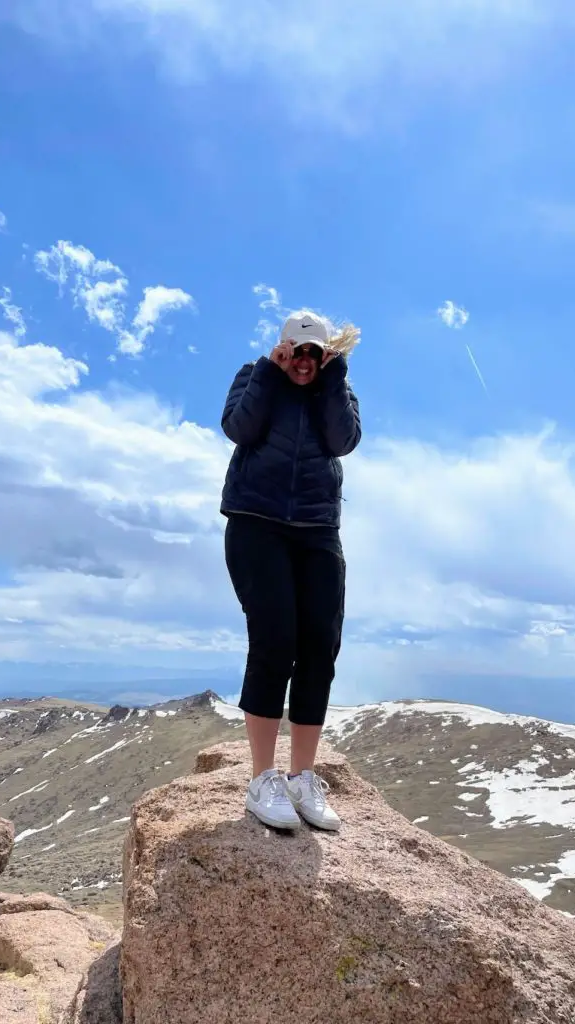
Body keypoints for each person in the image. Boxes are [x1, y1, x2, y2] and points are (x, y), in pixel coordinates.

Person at [220, 309, 362, 831]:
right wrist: (267, 371)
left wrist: (334, 378)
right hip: (255, 524)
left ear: (324, 355)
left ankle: (303, 777)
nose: (303, 362)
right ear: (283, 348)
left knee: (320, 645)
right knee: (275, 639)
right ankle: (263, 779)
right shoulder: (254, 376)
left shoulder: (337, 391)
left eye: (313, 353)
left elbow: (342, 440)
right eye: (296, 350)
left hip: (318, 530)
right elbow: (239, 427)